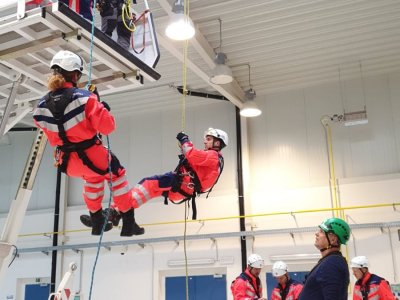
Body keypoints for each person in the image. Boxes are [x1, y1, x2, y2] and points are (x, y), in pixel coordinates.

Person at [32, 50, 144, 237]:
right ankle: (129, 223)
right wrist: (102, 108)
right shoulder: (84, 97)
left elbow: (55, 127)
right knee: (116, 175)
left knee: (92, 179)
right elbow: (107, 127)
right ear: (75, 74)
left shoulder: (40, 106)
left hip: (67, 163)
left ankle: (97, 221)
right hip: (92, 155)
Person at [79, 127, 227, 228]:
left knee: (147, 184)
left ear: (217, 142)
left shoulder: (213, 157)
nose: (205, 141)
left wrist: (185, 139)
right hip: (181, 188)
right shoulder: (213, 160)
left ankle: (114, 213)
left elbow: (191, 152)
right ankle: (115, 213)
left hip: (180, 183)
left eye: (208, 139)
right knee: (148, 190)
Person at [298, 217, 351, 300]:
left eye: (322, 231)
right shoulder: (328, 261)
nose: (317, 234)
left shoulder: (332, 263)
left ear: (333, 239)